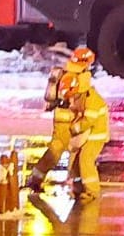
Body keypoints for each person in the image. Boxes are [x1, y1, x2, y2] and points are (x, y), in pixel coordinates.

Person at [27, 47, 92, 194]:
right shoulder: (76, 76)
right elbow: (76, 98)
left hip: (70, 116)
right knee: (56, 150)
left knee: (76, 150)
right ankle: (35, 180)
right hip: (67, 117)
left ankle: (77, 184)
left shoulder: (75, 73)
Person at [67, 51, 109, 203]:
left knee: (85, 159)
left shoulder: (92, 100)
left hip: (96, 135)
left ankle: (93, 190)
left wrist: (75, 128)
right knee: (77, 159)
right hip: (88, 134)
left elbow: (88, 121)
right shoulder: (83, 96)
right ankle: (79, 188)